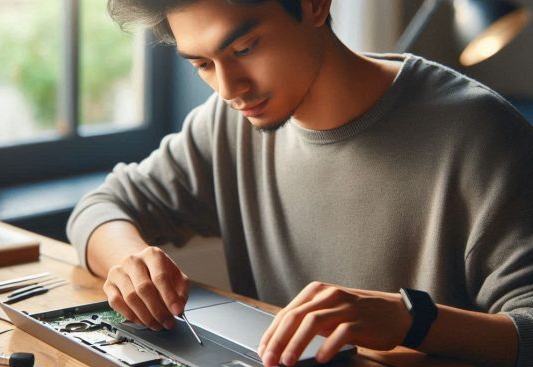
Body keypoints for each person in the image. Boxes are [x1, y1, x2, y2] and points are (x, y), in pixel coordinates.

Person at [67, 0, 533, 366]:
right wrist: (130, 262)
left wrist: (410, 319)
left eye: (245, 48)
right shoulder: (227, 125)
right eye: (203, 65)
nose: (230, 88)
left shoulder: (481, 132)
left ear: (314, 4)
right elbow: (102, 206)